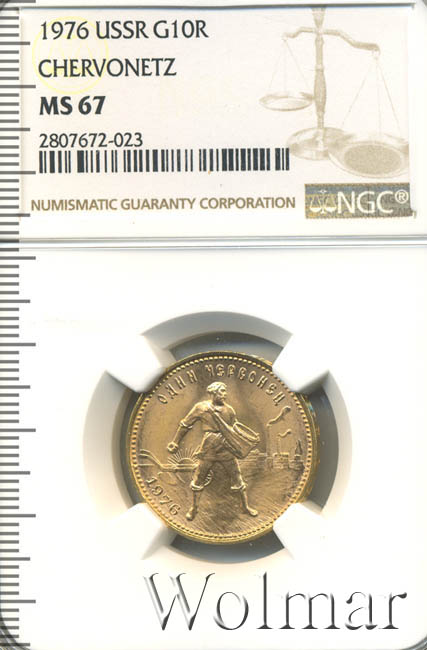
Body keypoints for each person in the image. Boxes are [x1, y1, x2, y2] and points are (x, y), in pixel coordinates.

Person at [167, 381, 258, 521]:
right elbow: (185, 424)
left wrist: (248, 438)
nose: (225, 394)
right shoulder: (201, 407)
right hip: (208, 447)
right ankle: (194, 508)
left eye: (225, 391)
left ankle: (245, 506)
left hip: (226, 447)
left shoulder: (229, 410)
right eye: (222, 391)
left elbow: (235, 429)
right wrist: (175, 442)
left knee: (237, 476)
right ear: (214, 393)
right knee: (199, 477)